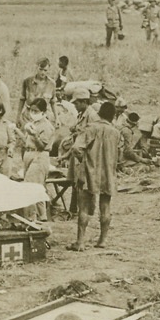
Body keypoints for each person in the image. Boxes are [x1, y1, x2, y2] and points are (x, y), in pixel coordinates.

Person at [67, 100, 119, 250]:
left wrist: (82, 160)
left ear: (99, 113)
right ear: (113, 116)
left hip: (89, 171)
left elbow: (76, 148)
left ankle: (80, 242)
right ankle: (102, 240)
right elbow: (119, 154)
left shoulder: (90, 129)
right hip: (108, 173)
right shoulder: (115, 132)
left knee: (83, 207)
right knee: (105, 206)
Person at [20, 97, 54, 222]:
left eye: (36, 111)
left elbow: (42, 145)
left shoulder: (46, 126)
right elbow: (26, 141)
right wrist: (18, 131)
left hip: (39, 156)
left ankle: (31, 218)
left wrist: (34, 135)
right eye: (31, 110)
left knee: (31, 186)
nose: (32, 113)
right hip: (29, 154)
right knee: (38, 187)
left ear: (43, 112)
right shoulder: (33, 124)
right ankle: (42, 216)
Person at [15, 57, 56, 124]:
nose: (42, 72)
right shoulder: (27, 81)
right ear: (36, 68)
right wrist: (18, 116)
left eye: (45, 70)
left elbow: (53, 102)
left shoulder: (52, 84)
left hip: (44, 117)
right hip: (28, 117)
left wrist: (57, 118)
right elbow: (22, 99)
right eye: (41, 69)